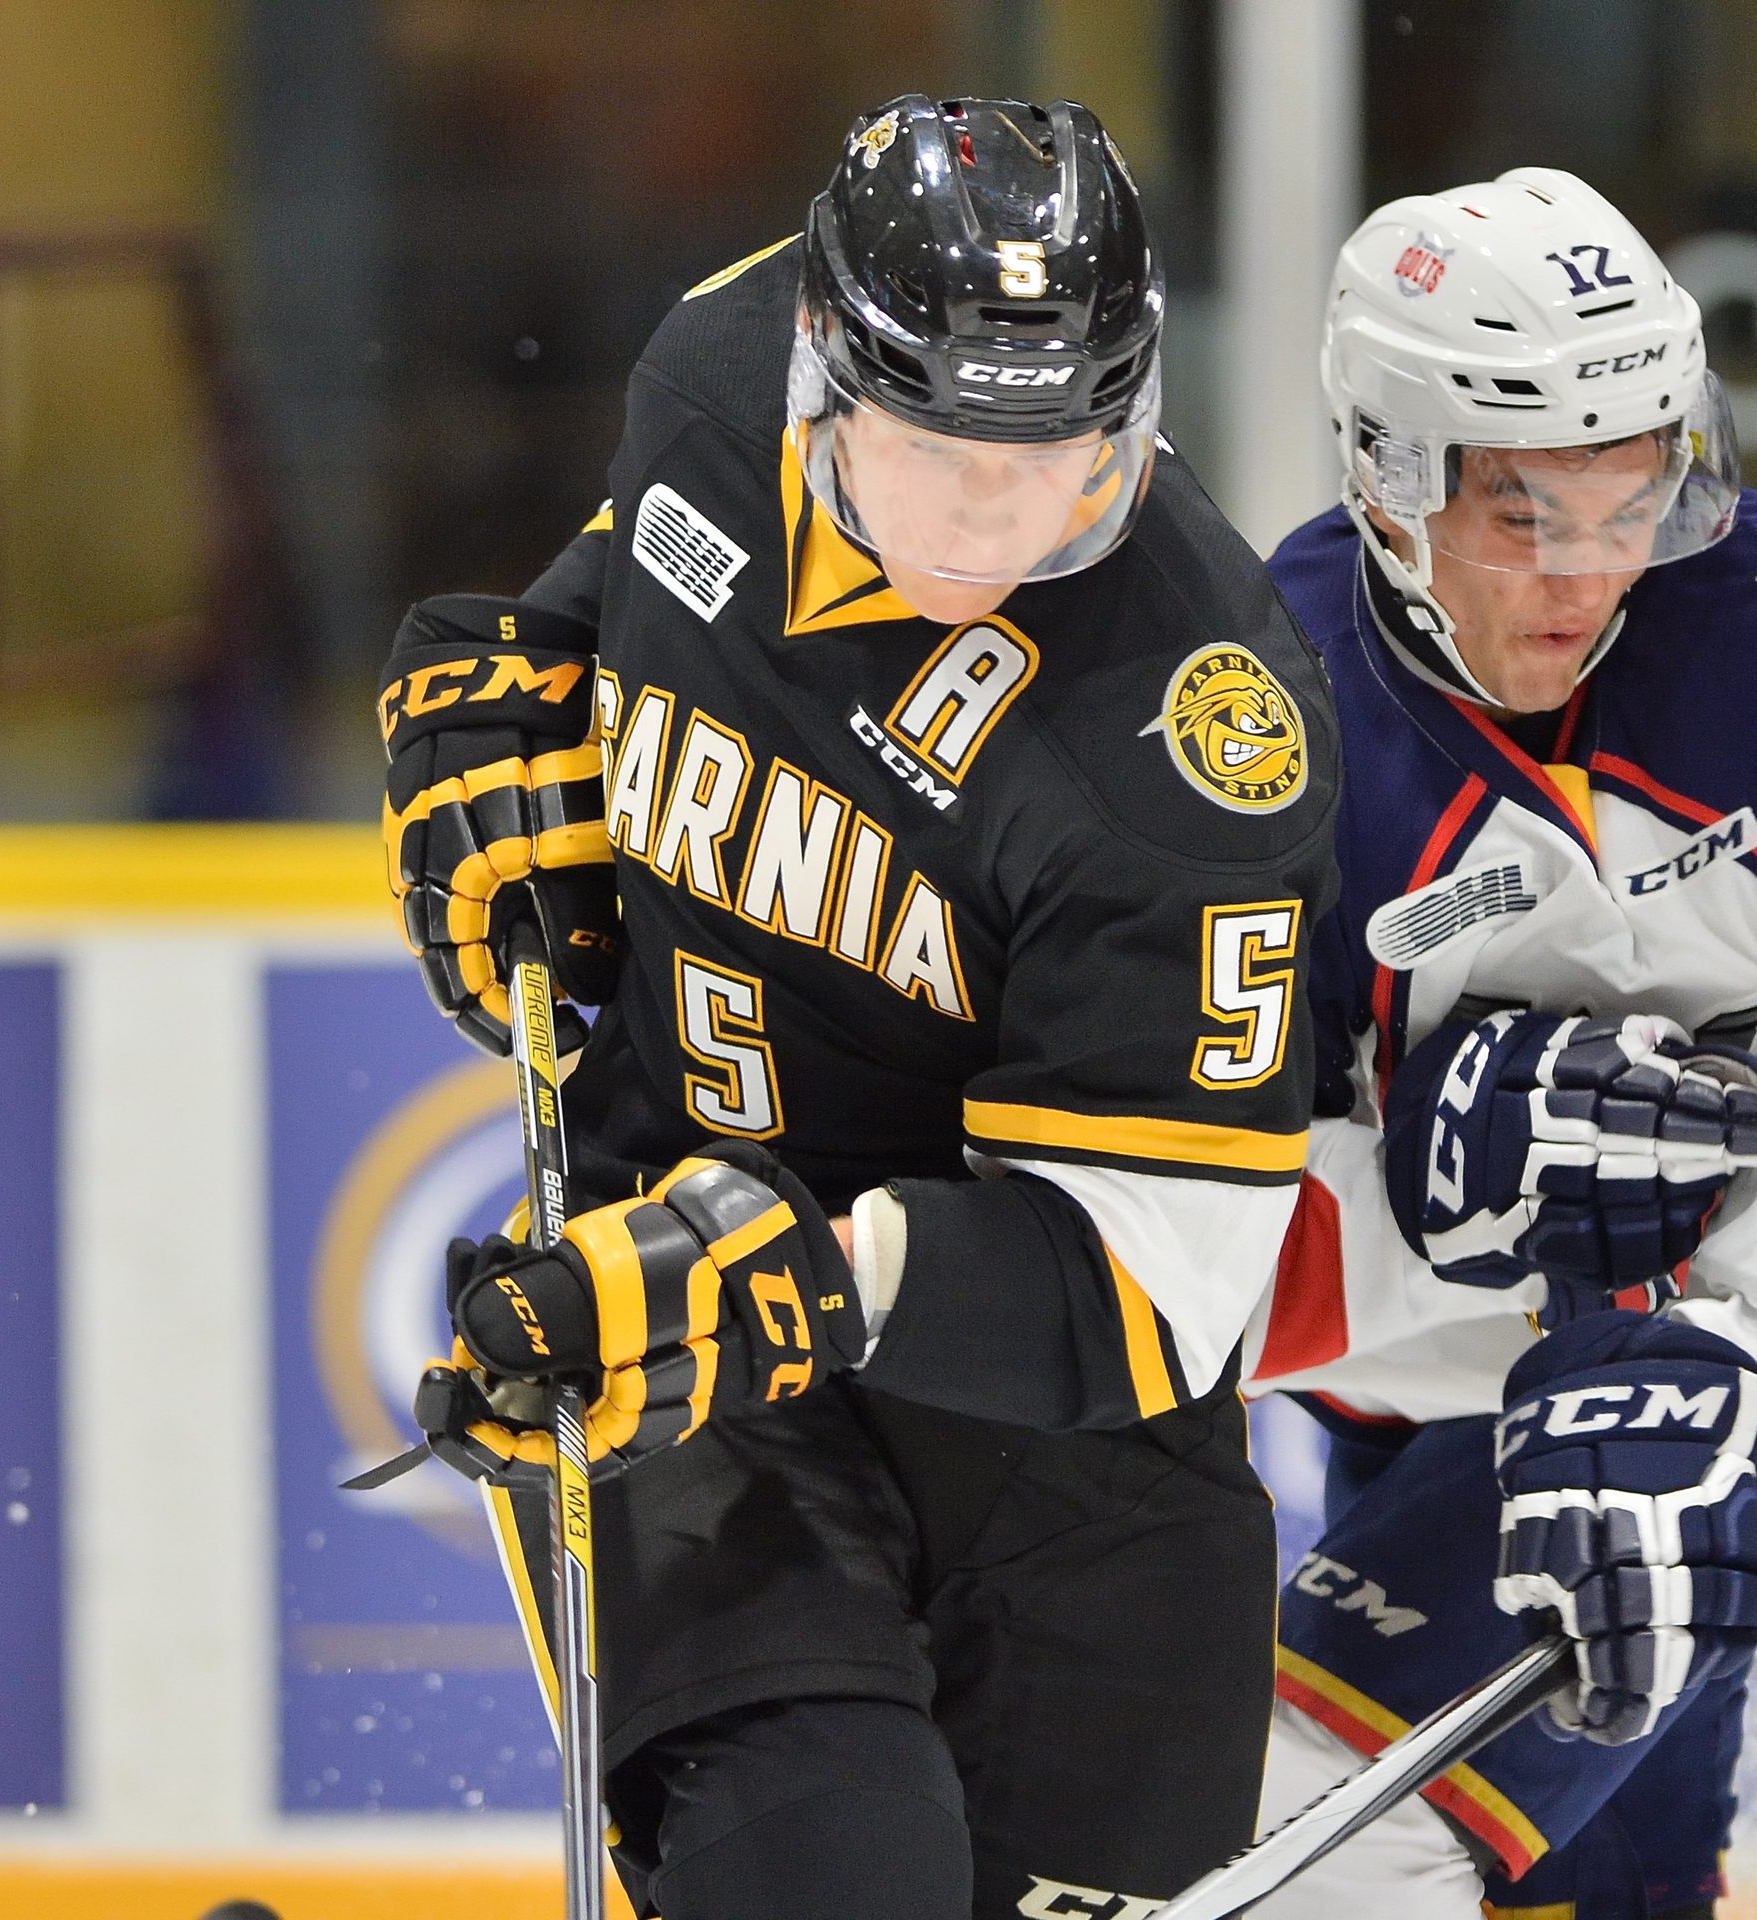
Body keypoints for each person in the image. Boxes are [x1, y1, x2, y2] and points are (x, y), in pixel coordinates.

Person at [377, 95, 1339, 1920]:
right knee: (831, 1873)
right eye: (942, 453)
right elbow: (644, 588)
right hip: (677, 1323)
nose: (1002, 510)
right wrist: (511, 704)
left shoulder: (1195, 744)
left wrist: (822, 1274)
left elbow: (1158, 1278)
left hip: (1056, 1432)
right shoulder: (720, 364)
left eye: (1062, 454)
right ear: (826, 374)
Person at [1236, 167, 1757, 1917]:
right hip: (1419, 1400)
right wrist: (1429, 1204)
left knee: (1361, 1855)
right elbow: (1162, 1254)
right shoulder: (1238, 728)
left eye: (1637, 501)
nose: (1589, 579)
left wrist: (1705, 1363)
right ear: (1385, 477)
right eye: (1526, 514)